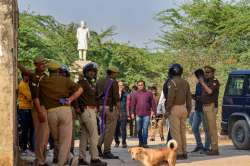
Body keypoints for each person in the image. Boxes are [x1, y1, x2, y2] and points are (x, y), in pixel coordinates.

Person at [38, 60, 83, 165]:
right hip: (65, 110)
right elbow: (80, 89)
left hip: (51, 112)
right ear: (58, 70)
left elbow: (40, 98)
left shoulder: (43, 82)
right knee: (65, 140)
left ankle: (67, 158)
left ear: (49, 70)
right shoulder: (65, 80)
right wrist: (70, 99)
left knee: (56, 139)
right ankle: (63, 162)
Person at [18, 55, 49, 166]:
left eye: (45, 63)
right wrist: (40, 112)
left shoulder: (44, 76)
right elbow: (35, 97)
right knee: (41, 135)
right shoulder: (33, 76)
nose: (44, 65)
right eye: (42, 63)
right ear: (36, 65)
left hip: (45, 107)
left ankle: (40, 159)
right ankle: (40, 161)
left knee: (44, 135)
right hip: (38, 108)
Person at [76, 62, 107, 166]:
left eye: (94, 71)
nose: (92, 73)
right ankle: (94, 159)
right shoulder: (83, 82)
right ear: (85, 72)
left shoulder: (89, 83)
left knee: (84, 136)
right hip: (87, 110)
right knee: (94, 136)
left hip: (89, 111)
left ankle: (81, 158)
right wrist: (78, 107)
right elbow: (76, 95)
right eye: (90, 71)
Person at [164, 63, 192, 160]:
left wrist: (167, 110)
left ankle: (179, 153)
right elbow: (189, 98)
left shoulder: (172, 82)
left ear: (172, 71)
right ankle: (184, 152)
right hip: (183, 108)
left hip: (174, 108)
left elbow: (170, 98)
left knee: (175, 132)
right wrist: (188, 109)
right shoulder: (185, 82)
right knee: (182, 132)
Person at [97, 66, 120, 159]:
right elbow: (116, 98)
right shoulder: (113, 82)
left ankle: (98, 144)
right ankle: (107, 151)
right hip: (110, 108)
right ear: (113, 73)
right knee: (110, 130)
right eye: (116, 73)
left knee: (106, 128)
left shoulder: (99, 81)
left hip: (101, 108)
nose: (117, 75)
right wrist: (120, 111)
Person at [199, 66, 220, 155]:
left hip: (211, 107)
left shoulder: (215, 82)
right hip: (204, 107)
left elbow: (210, 91)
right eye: (205, 72)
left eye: (208, 72)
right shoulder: (206, 82)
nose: (206, 74)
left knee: (212, 129)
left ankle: (215, 149)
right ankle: (211, 147)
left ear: (212, 73)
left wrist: (202, 83)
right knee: (207, 129)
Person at [131, 80, 157, 148]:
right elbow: (133, 104)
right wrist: (132, 113)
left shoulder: (149, 93)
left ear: (144, 85)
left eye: (141, 85)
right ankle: (140, 142)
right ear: (137, 86)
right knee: (139, 129)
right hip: (138, 114)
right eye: (139, 85)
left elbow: (153, 104)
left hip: (146, 114)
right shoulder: (135, 94)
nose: (140, 86)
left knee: (145, 129)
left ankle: (145, 143)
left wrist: (154, 112)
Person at [190, 75, 211, 153]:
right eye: (197, 77)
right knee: (194, 127)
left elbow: (207, 96)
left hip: (204, 109)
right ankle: (199, 145)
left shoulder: (207, 84)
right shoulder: (198, 84)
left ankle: (206, 147)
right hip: (198, 108)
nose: (198, 79)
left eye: (199, 77)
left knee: (206, 129)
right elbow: (197, 96)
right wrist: (192, 96)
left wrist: (197, 97)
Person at [17, 72, 34, 154]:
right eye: (27, 76)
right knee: (25, 129)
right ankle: (24, 148)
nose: (29, 77)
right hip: (24, 109)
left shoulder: (28, 84)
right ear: (24, 76)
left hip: (29, 109)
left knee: (31, 129)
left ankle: (31, 147)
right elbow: (30, 97)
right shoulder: (22, 85)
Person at [114, 81, 129, 148]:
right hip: (115, 112)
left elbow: (128, 104)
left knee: (123, 128)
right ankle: (117, 142)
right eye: (119, 85)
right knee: (115, 129)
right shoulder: (114, 94)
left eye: (122, 85)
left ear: (123, 86)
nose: (120, 86)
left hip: (123, 113)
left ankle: (124, 142)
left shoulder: (126, 94)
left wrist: (128, 113)